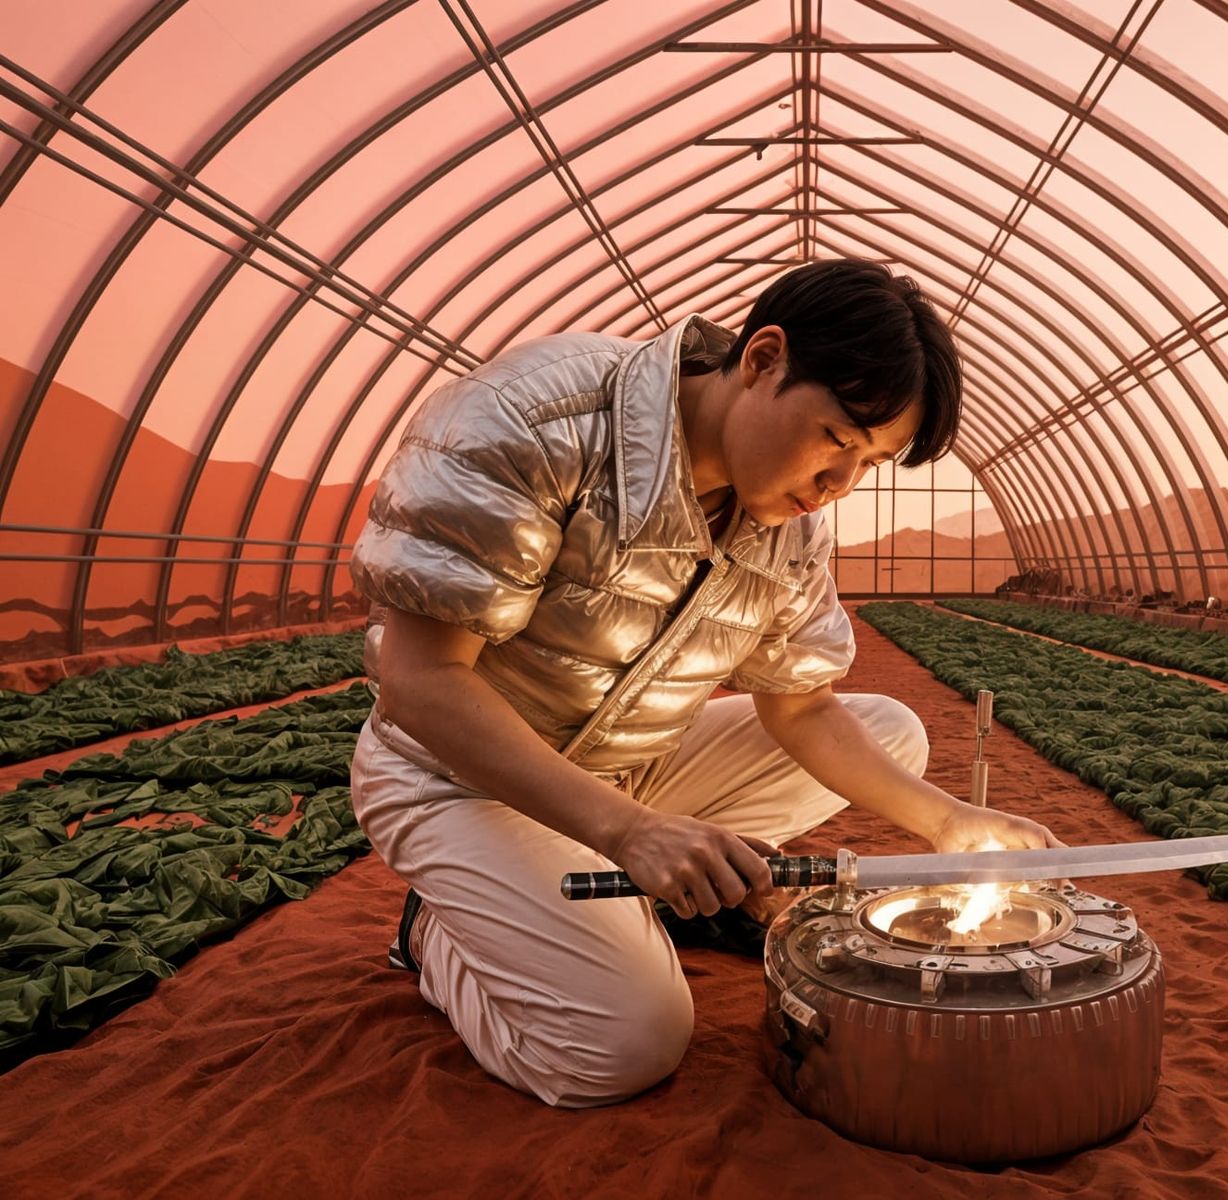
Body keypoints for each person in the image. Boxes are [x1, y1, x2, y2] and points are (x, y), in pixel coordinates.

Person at [347, 258, 1062, 1107]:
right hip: (459, 778)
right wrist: (631, 832)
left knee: (894, 731)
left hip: (625, 766)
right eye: (837, 439)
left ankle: (601, 892)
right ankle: (439, 934)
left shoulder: (789, 526)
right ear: (762, 359)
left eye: (868, 462)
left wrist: (949, 819)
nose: (839, 484)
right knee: (621, 1047)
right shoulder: (539, 417)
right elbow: (419, 685)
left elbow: (802, 706)